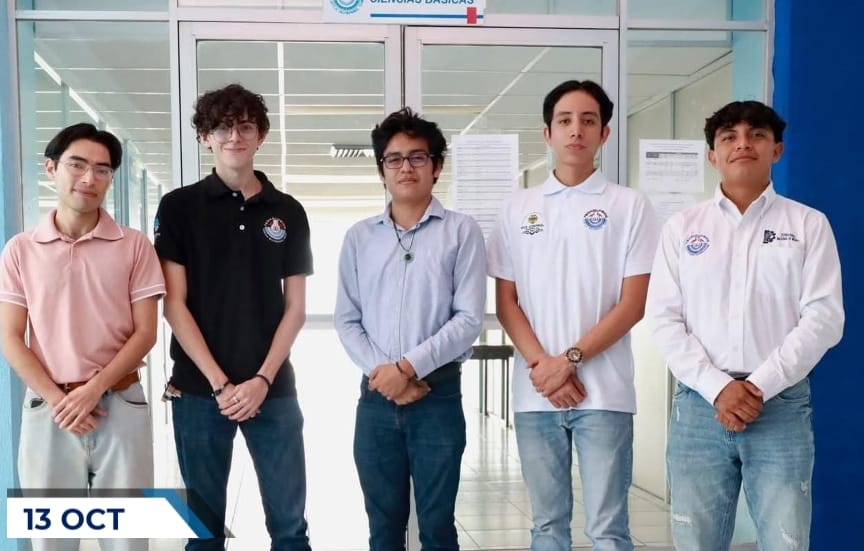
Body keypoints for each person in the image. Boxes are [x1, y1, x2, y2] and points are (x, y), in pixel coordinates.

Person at [646, 100, 844, 550]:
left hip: (781, 405)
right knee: (695, 541)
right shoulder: (682, 228)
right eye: (729, 137)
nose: (743, 144)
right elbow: (663, 318)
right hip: (699, 405)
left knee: (785, 540)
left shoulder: (808, 224)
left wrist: (757, 386)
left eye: (757, 135)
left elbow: (824, 317)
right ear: (712, 155)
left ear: (777, 150)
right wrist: (719, 387)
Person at [486, 80, 658, 551]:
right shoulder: (518, 207)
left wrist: (570, 361)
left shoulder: (629, 205)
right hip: (535, 392)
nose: (575, 130)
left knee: (608, 529)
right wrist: (545, 366)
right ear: (547, 133)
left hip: (605, 393)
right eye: (564, 121)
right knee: (546, 526)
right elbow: (506, 302)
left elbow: (633, 304)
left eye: (588, 121)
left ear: (604, 133)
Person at [154, 84, 313, 551]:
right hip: (199, 391)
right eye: (222, 127)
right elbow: (174, 305)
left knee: (290, 529)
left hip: (273, 391)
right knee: (203, 533)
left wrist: (261, 379)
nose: (234, 137)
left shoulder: (288, 211)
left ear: (261, 135)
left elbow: (296, 308)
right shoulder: (178, 207)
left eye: (245, 126)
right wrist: (222, 384)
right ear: (204, 136)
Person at [0, 123, 164, 551]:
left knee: (127, 539)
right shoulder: (20, 250)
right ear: (51, 168)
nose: (89, 178)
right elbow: (11, 337)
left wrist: (93, 390)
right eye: (77, 165)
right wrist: (61, 400)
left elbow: (146, 332)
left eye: (102, 170)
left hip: (121, 406)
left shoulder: (134, 246)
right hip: (48, 410)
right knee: (50, 539)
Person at [334, 107, 486, 551]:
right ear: (381, 170)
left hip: (437, 397)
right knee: (382, 529)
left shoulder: (461, 232)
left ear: (437, 166)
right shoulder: (359, 237)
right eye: (394, 159)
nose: (406, 168)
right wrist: (387, 375)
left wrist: (406, 368)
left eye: (418, 157)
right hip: (375, 400)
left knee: (437, 527)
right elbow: (347, 319)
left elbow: (468, 319)